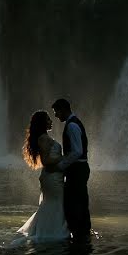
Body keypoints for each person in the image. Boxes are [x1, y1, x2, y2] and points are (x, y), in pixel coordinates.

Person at [12, 110, 70, 245]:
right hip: (52, 178)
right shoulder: (43, 138)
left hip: (53, 177)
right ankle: (51, 232)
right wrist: (63, 158)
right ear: (42, 123)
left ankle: (49, 230)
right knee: (56, 203)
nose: (51, 122)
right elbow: (46, 161)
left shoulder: (44, 137)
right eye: (48, 119)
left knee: (52, 204)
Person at [50, 98, 92, 236]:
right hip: (79, 169)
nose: (56, 115)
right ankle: (83, 232)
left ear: (63, 109)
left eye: (56, 112)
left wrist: (61, 165)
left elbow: (77, 151)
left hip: (77, 170)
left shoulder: (72, 126)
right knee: (80, 201)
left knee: (73, 203)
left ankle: (78, 232)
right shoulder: (73, 123)